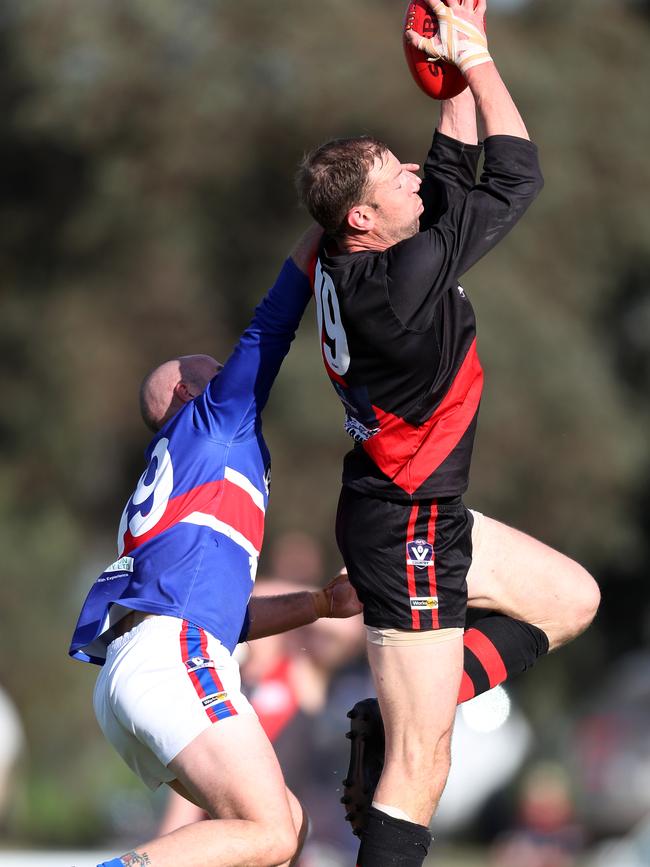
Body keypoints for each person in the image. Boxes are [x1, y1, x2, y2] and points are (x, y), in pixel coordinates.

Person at [296, 2, 600, 865]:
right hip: (408, 523)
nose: (409, 179)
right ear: (362, 219)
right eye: (390, 178)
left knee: (568, 597)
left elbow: (448, 171)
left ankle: (391, 716)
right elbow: (513, 178)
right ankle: (400, 729)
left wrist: (454, 72)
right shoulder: (399, 284)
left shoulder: (362, 255)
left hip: (412, 507)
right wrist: (480, 63)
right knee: (423, 763)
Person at [68, 227, 362, 867]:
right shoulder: (211, 424)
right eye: (211, 372)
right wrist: (323, 232)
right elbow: (272, 327)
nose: (227, 376)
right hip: (171, 657)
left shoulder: (190, 492)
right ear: (186, 397)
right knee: (271, 831)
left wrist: (318, 604)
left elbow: (222, 615)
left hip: (148, 664)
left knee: (286, 828)